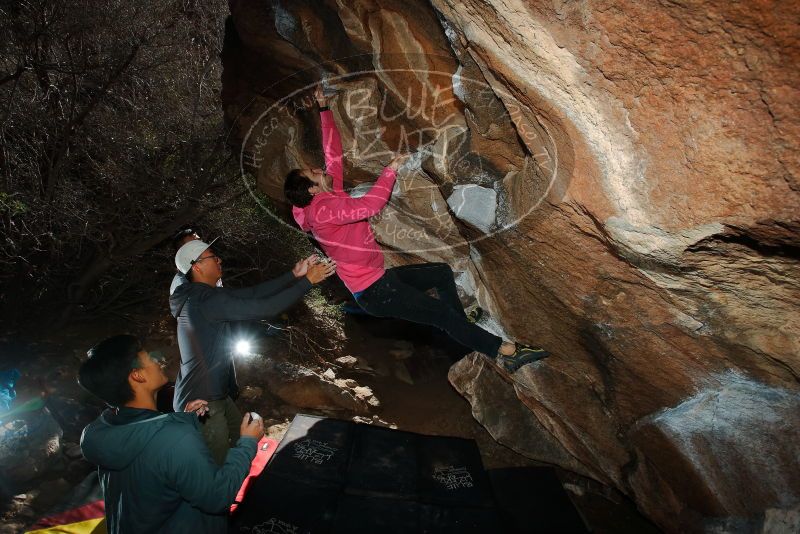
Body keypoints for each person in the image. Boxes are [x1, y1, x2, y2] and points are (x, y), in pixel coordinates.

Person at [284, 85, 550, 372]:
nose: (318, 169)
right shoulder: (322, 210)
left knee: (441, 274)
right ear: (311, 190)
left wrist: (324, 110)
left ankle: (462, 325)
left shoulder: (328, 193)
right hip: (375, 291)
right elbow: (370, 207)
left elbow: (332, 155)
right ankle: (506, 351)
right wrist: (391, 170)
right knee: (440, 315)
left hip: (379, 280)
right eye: (312, 172)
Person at [170, 237, 335, 464]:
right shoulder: (204, 300)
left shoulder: (201, 295)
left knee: (242, 440)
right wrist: (307, 281)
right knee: (214, 463)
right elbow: (264, 308)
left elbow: (254, 293)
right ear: (196, 266)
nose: (219, 260)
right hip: (201, 401)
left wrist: (293, 276)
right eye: (212, 257)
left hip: (212, 392)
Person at [79, 334, 265, 533]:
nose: (158, 360)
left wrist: (184, 418)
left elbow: (149, 442)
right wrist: (247, 442)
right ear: (137, 375)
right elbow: (216, 497)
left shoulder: (97, 433)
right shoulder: (175, 437)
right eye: (149, 358)